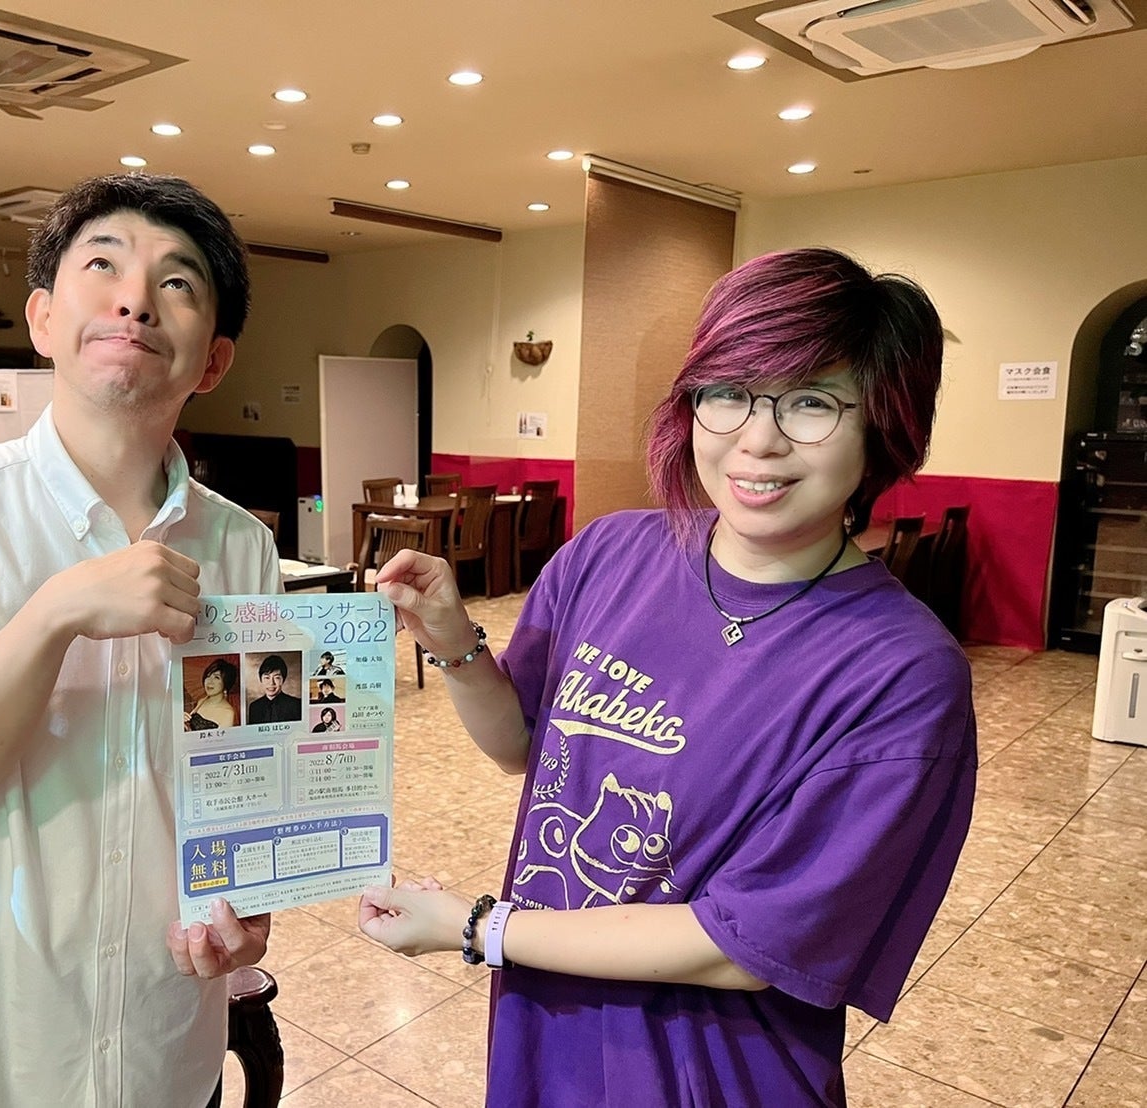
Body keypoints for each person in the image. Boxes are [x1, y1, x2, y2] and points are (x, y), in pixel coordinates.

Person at [357, 247, 976, 1107]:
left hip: (711, 1072)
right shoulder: (611, 554)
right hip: (543, 1027)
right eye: (729, 392)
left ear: (883, 428)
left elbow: (744, 947)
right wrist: (456, 644)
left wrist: (481, 927)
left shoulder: (900, 674)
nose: (756, 439)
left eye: (811, 402)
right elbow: (522, 747)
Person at [0, 173, 280, 1108]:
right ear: (42, 319)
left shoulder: (243, 547)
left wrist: (249, 906)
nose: (135, 299)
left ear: (213, 360)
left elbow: (248, 775)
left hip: (167, 1040)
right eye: (102, 265)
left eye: (178, 282)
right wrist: (53, 614)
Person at [186, 657, 240, 730]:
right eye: (208, 676)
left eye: (216, 677)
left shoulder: (228, 713)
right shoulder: (202, 701)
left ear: (226, 682)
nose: (209, 681)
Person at [246, 654, 301, 723]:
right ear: (261, 679)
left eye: (277, 678)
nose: (271, 683)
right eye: (267, 678)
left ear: (283, 680)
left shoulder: (296, 705)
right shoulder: (254, 707)